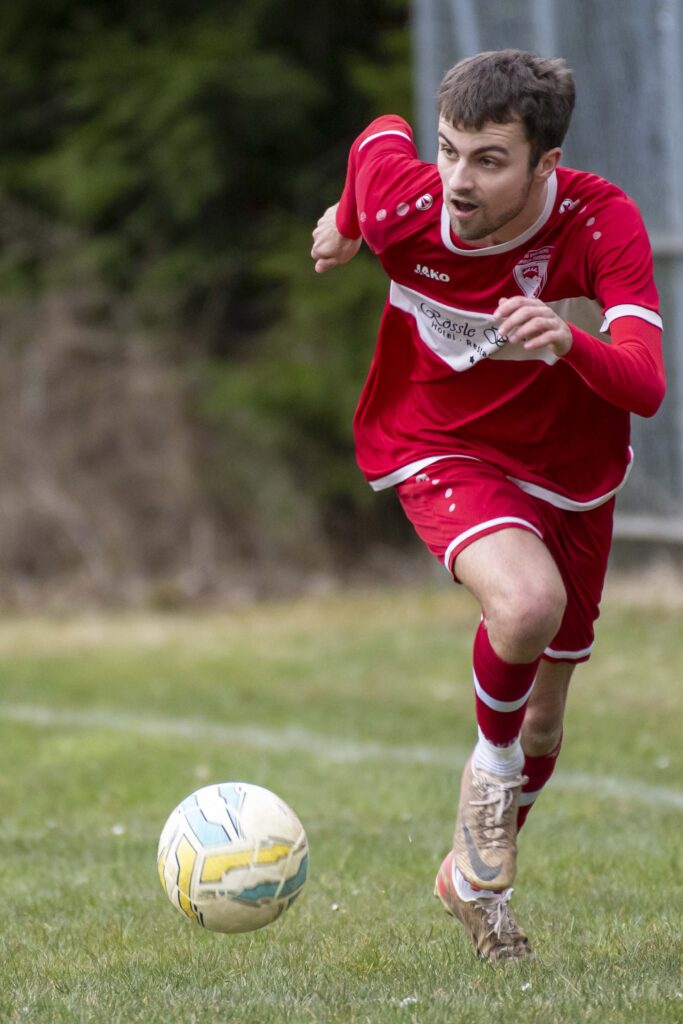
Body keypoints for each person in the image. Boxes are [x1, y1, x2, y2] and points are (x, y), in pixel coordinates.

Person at [310, 49, 665, 962]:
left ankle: (470, 883)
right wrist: (348, 221)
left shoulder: (599, 220)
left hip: (571, 473)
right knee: (525, 603)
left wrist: (569, 342)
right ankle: (490, 775)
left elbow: (645, 382)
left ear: (546, 164)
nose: (458, 180)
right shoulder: (407, 203)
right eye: (448, 151)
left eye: (489, 160)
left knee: (545, 717)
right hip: (437, 441)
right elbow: (376, 138)